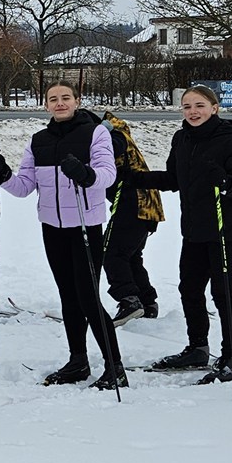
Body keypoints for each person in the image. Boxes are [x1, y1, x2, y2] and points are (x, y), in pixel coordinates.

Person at [0, 82, 125, 388]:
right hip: (52, 228)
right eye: (54, 99)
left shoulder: (95, 133)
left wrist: (86, 174)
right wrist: (2, 174)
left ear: (77, 101)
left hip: (85, 226)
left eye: (66, 98)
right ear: (46, 104)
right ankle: (78, 361)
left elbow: (107, 174)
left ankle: (115, 368)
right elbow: (24, 187)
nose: (60, 103)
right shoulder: (39, 140)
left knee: (89, 298)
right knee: (68, 297)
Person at [120, 85, 232, 383]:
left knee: (224, 293)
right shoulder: (181, 138)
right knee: (190, 290)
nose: (193, 112)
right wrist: (134, 179)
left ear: (215, 107)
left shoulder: (231, 140)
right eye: (187, 106)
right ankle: (197, 347)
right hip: (195, 231)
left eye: (199, 105)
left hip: (226, 231)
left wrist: (224, 181)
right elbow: (174, 178)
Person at [96, 108, 164, 325]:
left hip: (135, 202)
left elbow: (115, 147)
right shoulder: (115, 129)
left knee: (111, 252)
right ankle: (146, 302)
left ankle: (129, 300)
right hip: (146, 204)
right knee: (130, 256)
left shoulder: (111, 133)